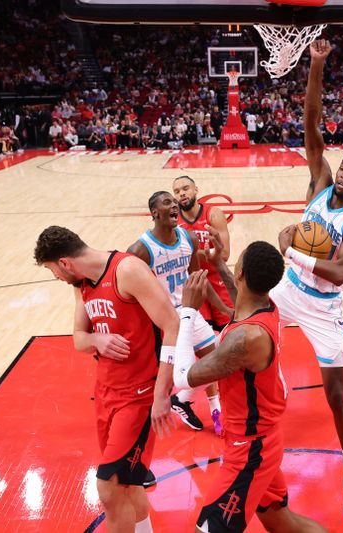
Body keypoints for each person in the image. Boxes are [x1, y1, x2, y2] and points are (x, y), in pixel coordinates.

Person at [272, 39, 343, 523]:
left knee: (337, 396)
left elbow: (339, 270)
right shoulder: (319, 176)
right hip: (289, 289)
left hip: (323, 305)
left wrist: (290, 248)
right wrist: (316, 64)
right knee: (241, 305)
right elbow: (311, 122)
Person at [173, 235, 326, 533]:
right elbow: (239, 301)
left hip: (249, 449)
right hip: (261, 440)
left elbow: (183, 377)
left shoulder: (245, 339)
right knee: (282, 523)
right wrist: (218, 263)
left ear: (241, 272)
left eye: (236, 261)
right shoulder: (266, 307)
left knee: (206, 530)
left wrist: (188, 311)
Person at [34, 226, 179, 533]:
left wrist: (162, 392)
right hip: (106, 392)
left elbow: (172, 325)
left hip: (139, 396)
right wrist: (97, 341)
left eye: (53, 271)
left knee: (109, 488)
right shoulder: (81, 284)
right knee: (127, 483)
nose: (56, 278)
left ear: (65, 263)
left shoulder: (127, 271)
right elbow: (79, 339)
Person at [127, 191, 226, 436]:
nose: (174, 205)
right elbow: (131, 293)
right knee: (178, 373)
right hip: (164, 318)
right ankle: (206, 408)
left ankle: (193, 403)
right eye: (167, 202)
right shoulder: (140, 250)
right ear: (154, 213)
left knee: (215, 362)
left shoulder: (188, 238)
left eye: (174, 202)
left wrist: (225, 308)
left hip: (189, 310)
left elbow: (198, 279)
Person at [173, 175, 235, 332]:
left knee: (228, 329)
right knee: (202, 334)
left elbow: (225, 254)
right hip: (193, 282)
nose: (182, 193)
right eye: (177, 191)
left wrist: (191, 252)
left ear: (196, 190)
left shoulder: (213, 214)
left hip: (216, 277)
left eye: (185, 188)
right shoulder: (173, 221)